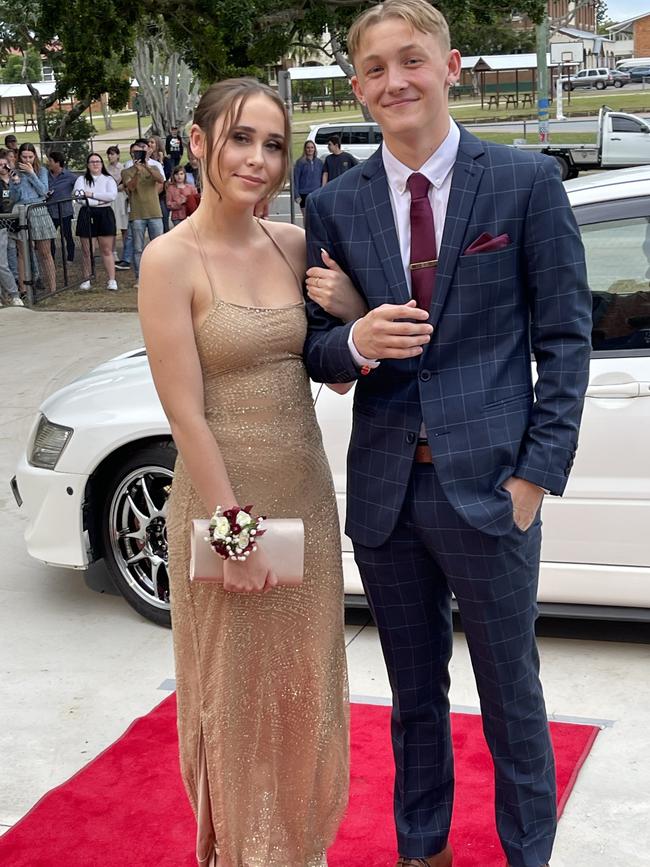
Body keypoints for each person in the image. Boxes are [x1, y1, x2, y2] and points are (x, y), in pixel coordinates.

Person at [302, 2, 593, 867]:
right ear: (358, 87)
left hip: (492, 487)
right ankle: (421, 851)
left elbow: (566, 341)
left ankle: (526, 853)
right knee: (413, 699)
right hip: (389, 493)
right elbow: (314, 346)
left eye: (412, 60)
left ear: (452, 65)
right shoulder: (337, 203)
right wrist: (355, 338)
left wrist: (536, 476)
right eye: (377, 68)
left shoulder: (525, 182)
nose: (397, 80)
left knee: (512, 695)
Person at [138, 77, 364, 867]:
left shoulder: (293, 244)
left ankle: (299, 850)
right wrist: (234, 529)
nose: (259, 160)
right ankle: (239, 853)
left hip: (305, 493)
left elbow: (335, 374)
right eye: (240, 138)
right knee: (234, 701)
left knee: (305, 691)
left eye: (273, 143)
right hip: (224, 509)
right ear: (198, 143)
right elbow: (185, 411)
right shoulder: (169, 259)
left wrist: (347, 304)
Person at [12, 142, 57, 294]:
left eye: (30, 157)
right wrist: (16, 184)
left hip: (38, 210)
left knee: (45, 252)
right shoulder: (14, 172)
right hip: (21, 211)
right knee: (23, 252)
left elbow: (44, 191)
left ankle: (52, 288)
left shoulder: (41, 170)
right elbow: (13, 197)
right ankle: (24, 289)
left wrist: (31, 174)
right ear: (19, 156)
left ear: (35, 157)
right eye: (24, 157)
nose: (27, 160)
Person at [121, 141, 165, 285]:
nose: (138, 155)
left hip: (154, 212)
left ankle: (160, 276)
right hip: (137, 214)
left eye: (140, 152)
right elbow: (131, 187)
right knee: (138, 248)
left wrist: (146, 166)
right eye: (135, 153)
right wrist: (137, 172)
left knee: (158, 247)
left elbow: (160, 180)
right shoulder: (126, 171)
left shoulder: (154, 167)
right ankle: (140, 278)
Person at [73, 153, 118, 291]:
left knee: (106, 249)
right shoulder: (81, 179)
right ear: (88, 164)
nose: (95, 164)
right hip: (87, 213)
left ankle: (112, 280)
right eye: (92, 162)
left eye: (98, 161)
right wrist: (98, 201)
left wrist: (92, 195)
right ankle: (87, 278)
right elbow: (79, 196)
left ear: (101, 163)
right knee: (88, 251)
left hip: (105, 214)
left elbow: (111, 196)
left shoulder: (108, 179)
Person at [0, 153, 23, 306]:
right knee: (3, 262)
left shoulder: (15, 181)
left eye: (4, 164)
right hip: (2, 223)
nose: (3, 167)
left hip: (12, 223)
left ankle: (15, 293)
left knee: (7, 261)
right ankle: (8, 295)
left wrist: (16, 181)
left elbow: (20, 197)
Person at [47, 151, 76, 263]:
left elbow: (80, 185)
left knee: (67, 235)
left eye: (50, 161)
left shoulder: (69, 176)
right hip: (50, 212)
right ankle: (51, 258)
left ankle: (70, 257)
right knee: (50, 237)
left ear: (57, 163)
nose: (48, 163)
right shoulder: (46, 175)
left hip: (65, 212)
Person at [106, 146, 130, 264]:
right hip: (112, 199)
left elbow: (126, 183)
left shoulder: (123, 168)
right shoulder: (106, 170)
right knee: (112, 227)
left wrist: (122, 186)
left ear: (118, 155)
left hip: (122, 198)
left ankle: (126, 253)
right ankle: (113, 252)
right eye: (109, 154)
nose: (110, 156)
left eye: (112, 154)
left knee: (124, 226)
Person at [293, 140, 323, 216]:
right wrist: (296, 195)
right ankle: (306, 229)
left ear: (314, 149)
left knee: (316, 217)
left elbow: (323, 177)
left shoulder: (319, 162)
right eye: (308, 148)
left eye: (312, 147)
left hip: (316, 193)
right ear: (305, 149)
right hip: (304, 194)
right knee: (306, 217)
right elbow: (295, 179)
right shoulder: (300, 162)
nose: (310, 149)